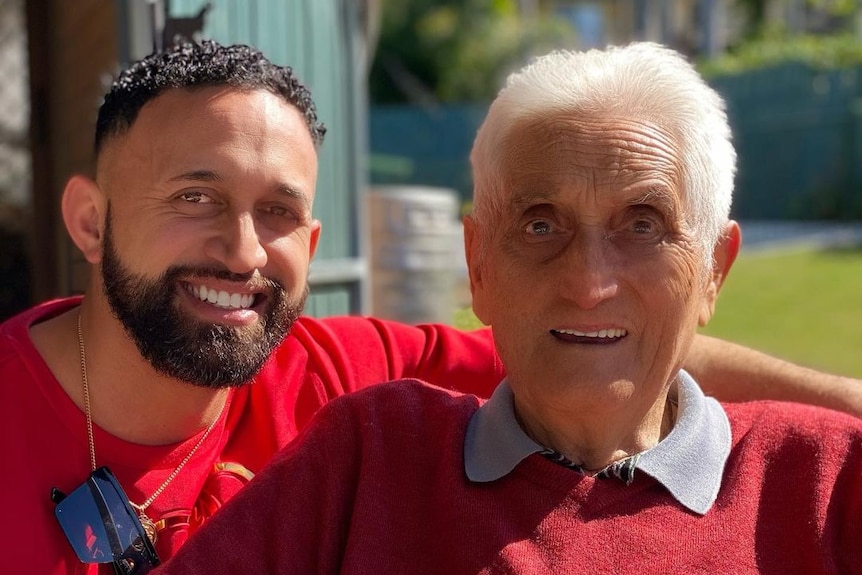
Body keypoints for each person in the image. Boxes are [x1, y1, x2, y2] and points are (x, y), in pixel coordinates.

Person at [0, 40, 858, 575]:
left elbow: (604, 345)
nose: (245, 250)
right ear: (89, 220)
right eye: (196, 197)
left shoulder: (342, 376)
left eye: (280, 212)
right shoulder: (371, 447)